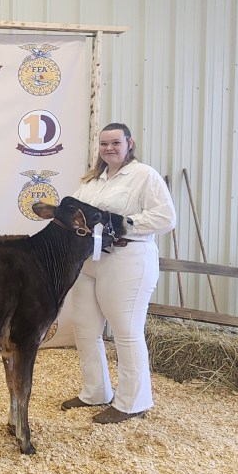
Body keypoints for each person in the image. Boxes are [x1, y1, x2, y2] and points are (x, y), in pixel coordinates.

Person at [61, 122, 176, 424]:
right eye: (104, 144)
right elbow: (75, 212)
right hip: (90, 258)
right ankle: (95, 392)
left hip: (127, 257)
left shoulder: (144, 176)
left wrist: (124, 223)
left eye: (115, 143)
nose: (109, 148)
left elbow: (166, 218)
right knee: (84, 328)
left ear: (129, 143)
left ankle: (133, 401)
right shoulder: (92, 180)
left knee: (126, 331)